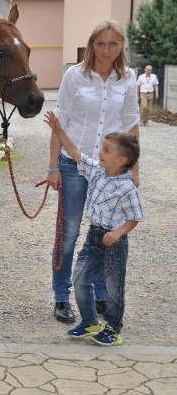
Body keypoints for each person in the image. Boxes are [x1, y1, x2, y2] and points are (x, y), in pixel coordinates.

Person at [47, 20, 139, 324]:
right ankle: (62, 296)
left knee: (105, 233)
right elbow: (59, 123)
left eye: (113, 44)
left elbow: (131, 126)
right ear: (91, 45)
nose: (106, 50)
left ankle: (101, 294)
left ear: (121, 46)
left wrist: (133, 170)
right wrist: (52, 168)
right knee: (70, 233)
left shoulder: (127, 78)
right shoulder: (74, 76)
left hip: (112, 170)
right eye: (101, 43)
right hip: (74, 164)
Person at [44, 110, 142, 346]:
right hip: (93, 237)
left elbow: (135, 218)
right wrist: (58, 131)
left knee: (113, 286)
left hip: (114, 241)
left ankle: (114, 329)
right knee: (79, 278)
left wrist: (118, 232)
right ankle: (90, 322)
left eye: (106, 151)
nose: (99, 153)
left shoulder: (127, 189)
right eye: (101, 148)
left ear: (122, 160)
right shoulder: (96, 172)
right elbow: (76, 154)